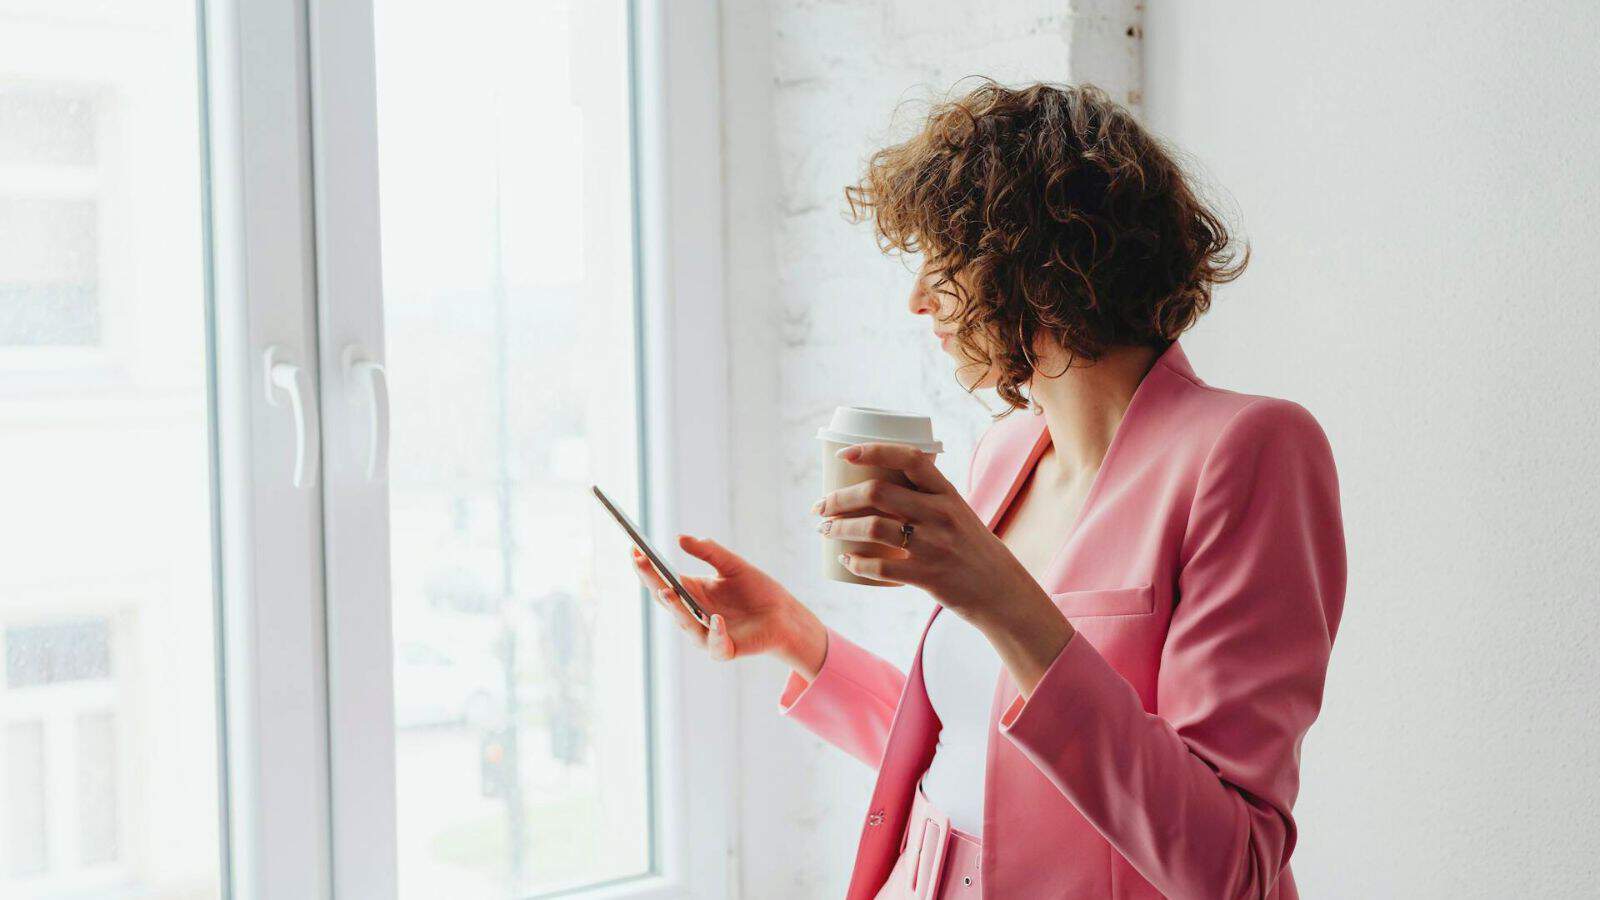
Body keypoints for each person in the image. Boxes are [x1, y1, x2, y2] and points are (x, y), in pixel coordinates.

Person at [630, 79, 1345, 899]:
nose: (918, 297)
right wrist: (797, 637)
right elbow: (989, 750)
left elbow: (1231, 864)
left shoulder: (1248, 451)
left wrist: (1003, 597)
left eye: (945, 259)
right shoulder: (1004, 454)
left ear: (1038, 265)